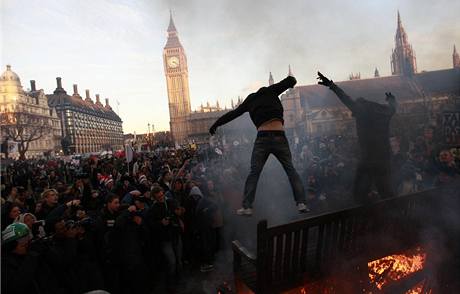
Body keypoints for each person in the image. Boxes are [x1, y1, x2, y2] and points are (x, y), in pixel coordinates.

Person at [209, 75, 309, 215]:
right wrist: (290, 83)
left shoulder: (251, 99)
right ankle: (301, 203)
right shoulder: (272, 90)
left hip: (263, 137)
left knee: (254, 172)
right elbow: (291, 80)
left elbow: (233, 114)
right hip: (280, 135)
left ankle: (247, 206)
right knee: (290, 170)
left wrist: (216, 124)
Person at [317, 71, 397, 203]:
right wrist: (391, 100)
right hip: (384, 157)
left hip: (369, 158)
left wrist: (331, 85)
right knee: (386, 191)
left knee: (359, 194)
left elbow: (345, 98)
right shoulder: (385, 112)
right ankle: (396, 217)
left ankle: (366, 217)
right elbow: (393, 107)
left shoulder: (361, 110)